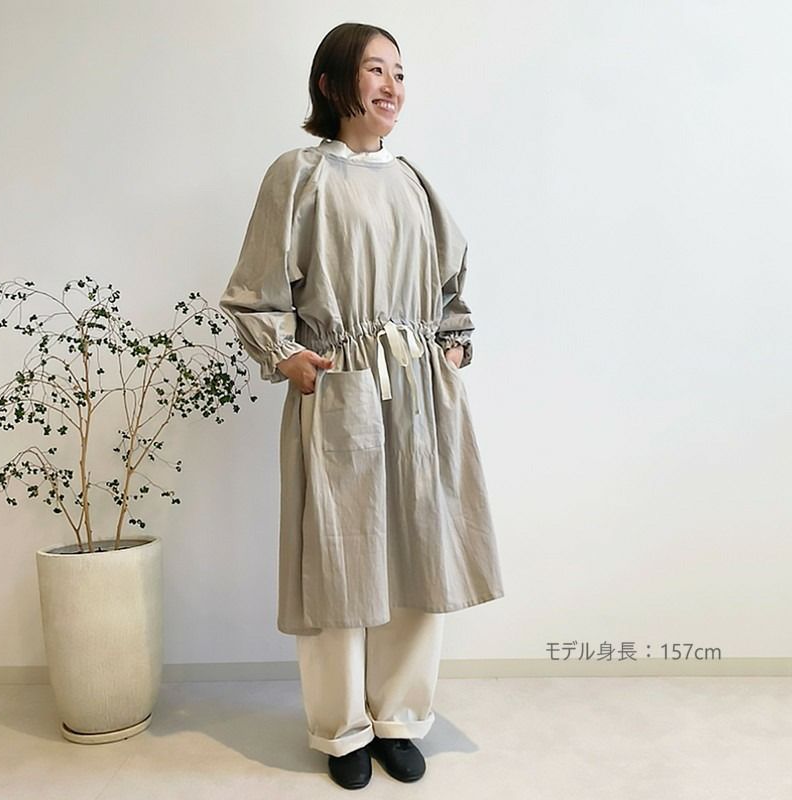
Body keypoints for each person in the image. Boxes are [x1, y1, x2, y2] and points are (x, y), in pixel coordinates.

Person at [220, 22, 504, 791]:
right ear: (331, 83)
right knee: (338, 557)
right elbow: (254, 291)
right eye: (375, 70)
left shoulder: (413, 181)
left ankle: (400, 717)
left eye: (400, 73)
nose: (392, 86)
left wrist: (451, 347)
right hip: (341, 383)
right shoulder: (301, 174)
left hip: (419, 392)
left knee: (417, 550)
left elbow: (451, 286)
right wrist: (288, 355)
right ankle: (341, 727)